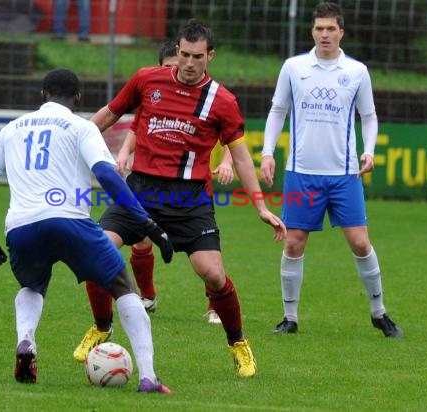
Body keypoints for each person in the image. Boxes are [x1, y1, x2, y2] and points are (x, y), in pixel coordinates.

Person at [73, 19, 287, 378]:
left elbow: (241, 156)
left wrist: (261, 204)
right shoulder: (147, 79)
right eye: (184, 55)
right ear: (177, 50)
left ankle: (238, 343)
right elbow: (109, 114)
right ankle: (101, 325)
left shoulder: (222, 101)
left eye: (197, 56)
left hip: (189, 200)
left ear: (210, 56)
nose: (188, 63)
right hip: (139, 192)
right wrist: (73, 139)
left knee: (213, 274)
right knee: (98, 250)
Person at [0, 68, 173, 393]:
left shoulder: (11, 129)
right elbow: (107, 176)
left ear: (42, 95)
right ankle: (148, 376)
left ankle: (26, 342)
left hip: (21, 226)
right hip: (69, 220)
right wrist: (145, 222)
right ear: (78, 98)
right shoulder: (82, 127)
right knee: (122, 286)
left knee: (32, 287)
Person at [261, 2, 403, 338]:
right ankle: (290, 318)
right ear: (312, 31)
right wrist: (268, 153)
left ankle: (379, 312)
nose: (324, 34)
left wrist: (368, 151)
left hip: (344, 175)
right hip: (300, 172)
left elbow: (368, 116)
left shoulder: (356, 72)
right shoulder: (294, 67)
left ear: (341, 32)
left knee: (360, 242)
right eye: (319, 28)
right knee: (293, 244)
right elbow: (278, 110)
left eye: (330, 29)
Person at [117, 40, 232, 325]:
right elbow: (136, 128)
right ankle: (148, 296)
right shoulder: (152, 93)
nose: (181, 69)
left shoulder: (210, 97)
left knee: (205, 254)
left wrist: (227, 161)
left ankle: (215, 304)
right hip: (152, 185)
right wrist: (123, 152)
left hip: (192, 188)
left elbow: (231, 137)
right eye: (172, 65)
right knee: (140, 240)